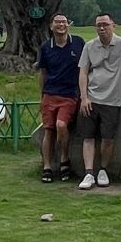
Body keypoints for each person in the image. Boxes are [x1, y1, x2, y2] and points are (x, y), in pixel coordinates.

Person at [76, 12, 121, 190]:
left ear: (113, 25)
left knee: (108, 138)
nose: (102, 28)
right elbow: (83, 72)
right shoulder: (90, 46)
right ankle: (88, 172)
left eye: (105, 24)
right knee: (88, 136)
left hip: (112, 100)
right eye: (99, 25)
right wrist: (84, 97)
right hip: (92, 97)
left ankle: (103, 169)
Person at [35, 12, 84, 184]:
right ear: (51, 26)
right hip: (50, 93)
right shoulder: (45, 47)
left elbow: (85, 69)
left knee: (61, 125)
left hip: (69, 94)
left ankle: (64, 157)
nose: (61, 25)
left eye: (64, 22)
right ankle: (47, 166)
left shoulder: (78, 43)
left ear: (68, 24)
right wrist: (42, 95)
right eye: (57, 22)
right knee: (48, 129)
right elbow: (43, 72)